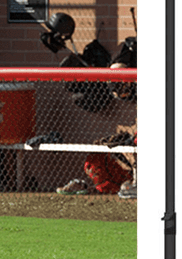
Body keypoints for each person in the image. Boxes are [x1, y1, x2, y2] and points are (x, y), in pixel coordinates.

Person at [56, 36, 137, 199]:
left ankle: (138, 183)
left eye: (123, 86)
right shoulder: (124, 59)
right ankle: (134, 183)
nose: (122, 91)